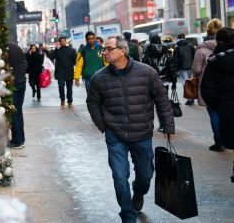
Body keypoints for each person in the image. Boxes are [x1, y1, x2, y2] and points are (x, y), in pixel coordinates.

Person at [86, 36, 174, 223]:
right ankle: (127, 214)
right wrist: (103, 126)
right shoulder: (99, 78)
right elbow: (92, 103)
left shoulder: (147, 73)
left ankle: (139, 192)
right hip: (115, 135)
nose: (105, 52)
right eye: (104, 49)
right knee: (119, 176)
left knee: (145, 175)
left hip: (142, 133)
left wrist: (168, 124)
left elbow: (162, 99)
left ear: (122, 50)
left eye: (109, 49)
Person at [192, 18, 224, 152]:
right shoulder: (226, 46)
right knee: (225, 113)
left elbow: (196, 70)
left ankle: (219, 142)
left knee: (214, 115)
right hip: (224, 85)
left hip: (208, 86)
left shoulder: (201, 50)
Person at [201, 27, 234, 153]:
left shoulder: (214, 61)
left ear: (218, 41)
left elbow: (207, 90)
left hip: (227, 107)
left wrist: (220, 106)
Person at [43, 37, 77, 108]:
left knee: (69, 88)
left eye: (64, 41)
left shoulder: (71, 50)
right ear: (59, 42)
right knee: (61, 87)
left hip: (69, 72)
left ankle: (70, 102)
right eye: (61, 41)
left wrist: (70, 65)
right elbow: (51, 56)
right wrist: (50, 50)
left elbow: (75, 60)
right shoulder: (57, 50)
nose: (63, 42)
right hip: (60, 72)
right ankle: (62, 100)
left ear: (66, 41)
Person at [7, 42, 27, 149]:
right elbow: (25, 63)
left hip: (13, 84)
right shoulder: (16, 47)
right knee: (18, 111)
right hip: (22, 82)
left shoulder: (4, 49)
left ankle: (17, 141)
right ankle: (21, 139)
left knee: (14, 111)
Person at [173, 33, 195, 105]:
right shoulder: (191, 45)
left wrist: (176, 69)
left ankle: (189, 99)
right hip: (191, 66)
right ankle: (192, 97)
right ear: (184, 37)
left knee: (185, 82)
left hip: (182, 67)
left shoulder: (177, 47)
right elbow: (194, 55)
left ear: (178, 38)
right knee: (191, 81)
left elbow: (175, 59)